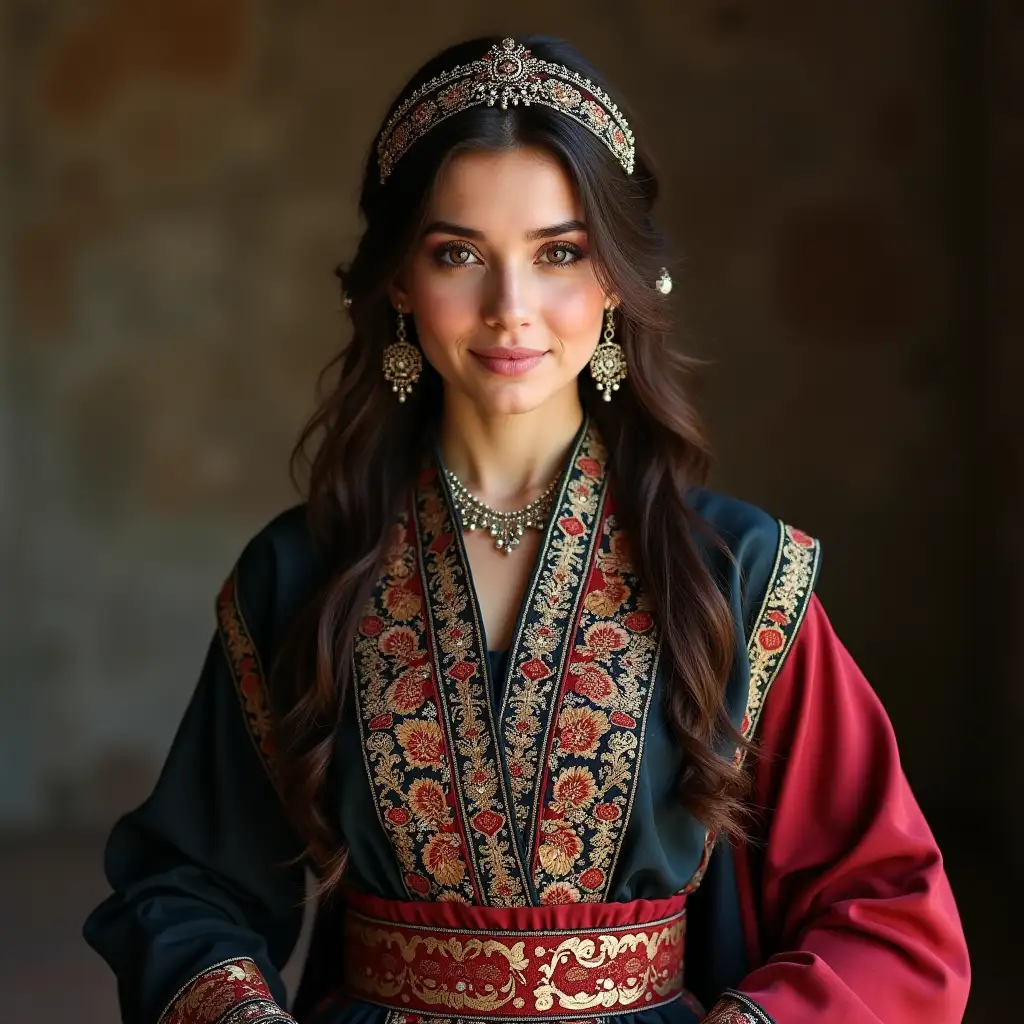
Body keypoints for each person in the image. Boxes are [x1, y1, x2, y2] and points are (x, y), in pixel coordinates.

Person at [83, 35, 971, 1024]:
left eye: (560, 253)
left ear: (620, 280)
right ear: (396, 282)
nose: (512, 309)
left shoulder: (740, 575)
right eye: (458, 253)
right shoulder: (298, 574)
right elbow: (183, 887)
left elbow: (889, 910)